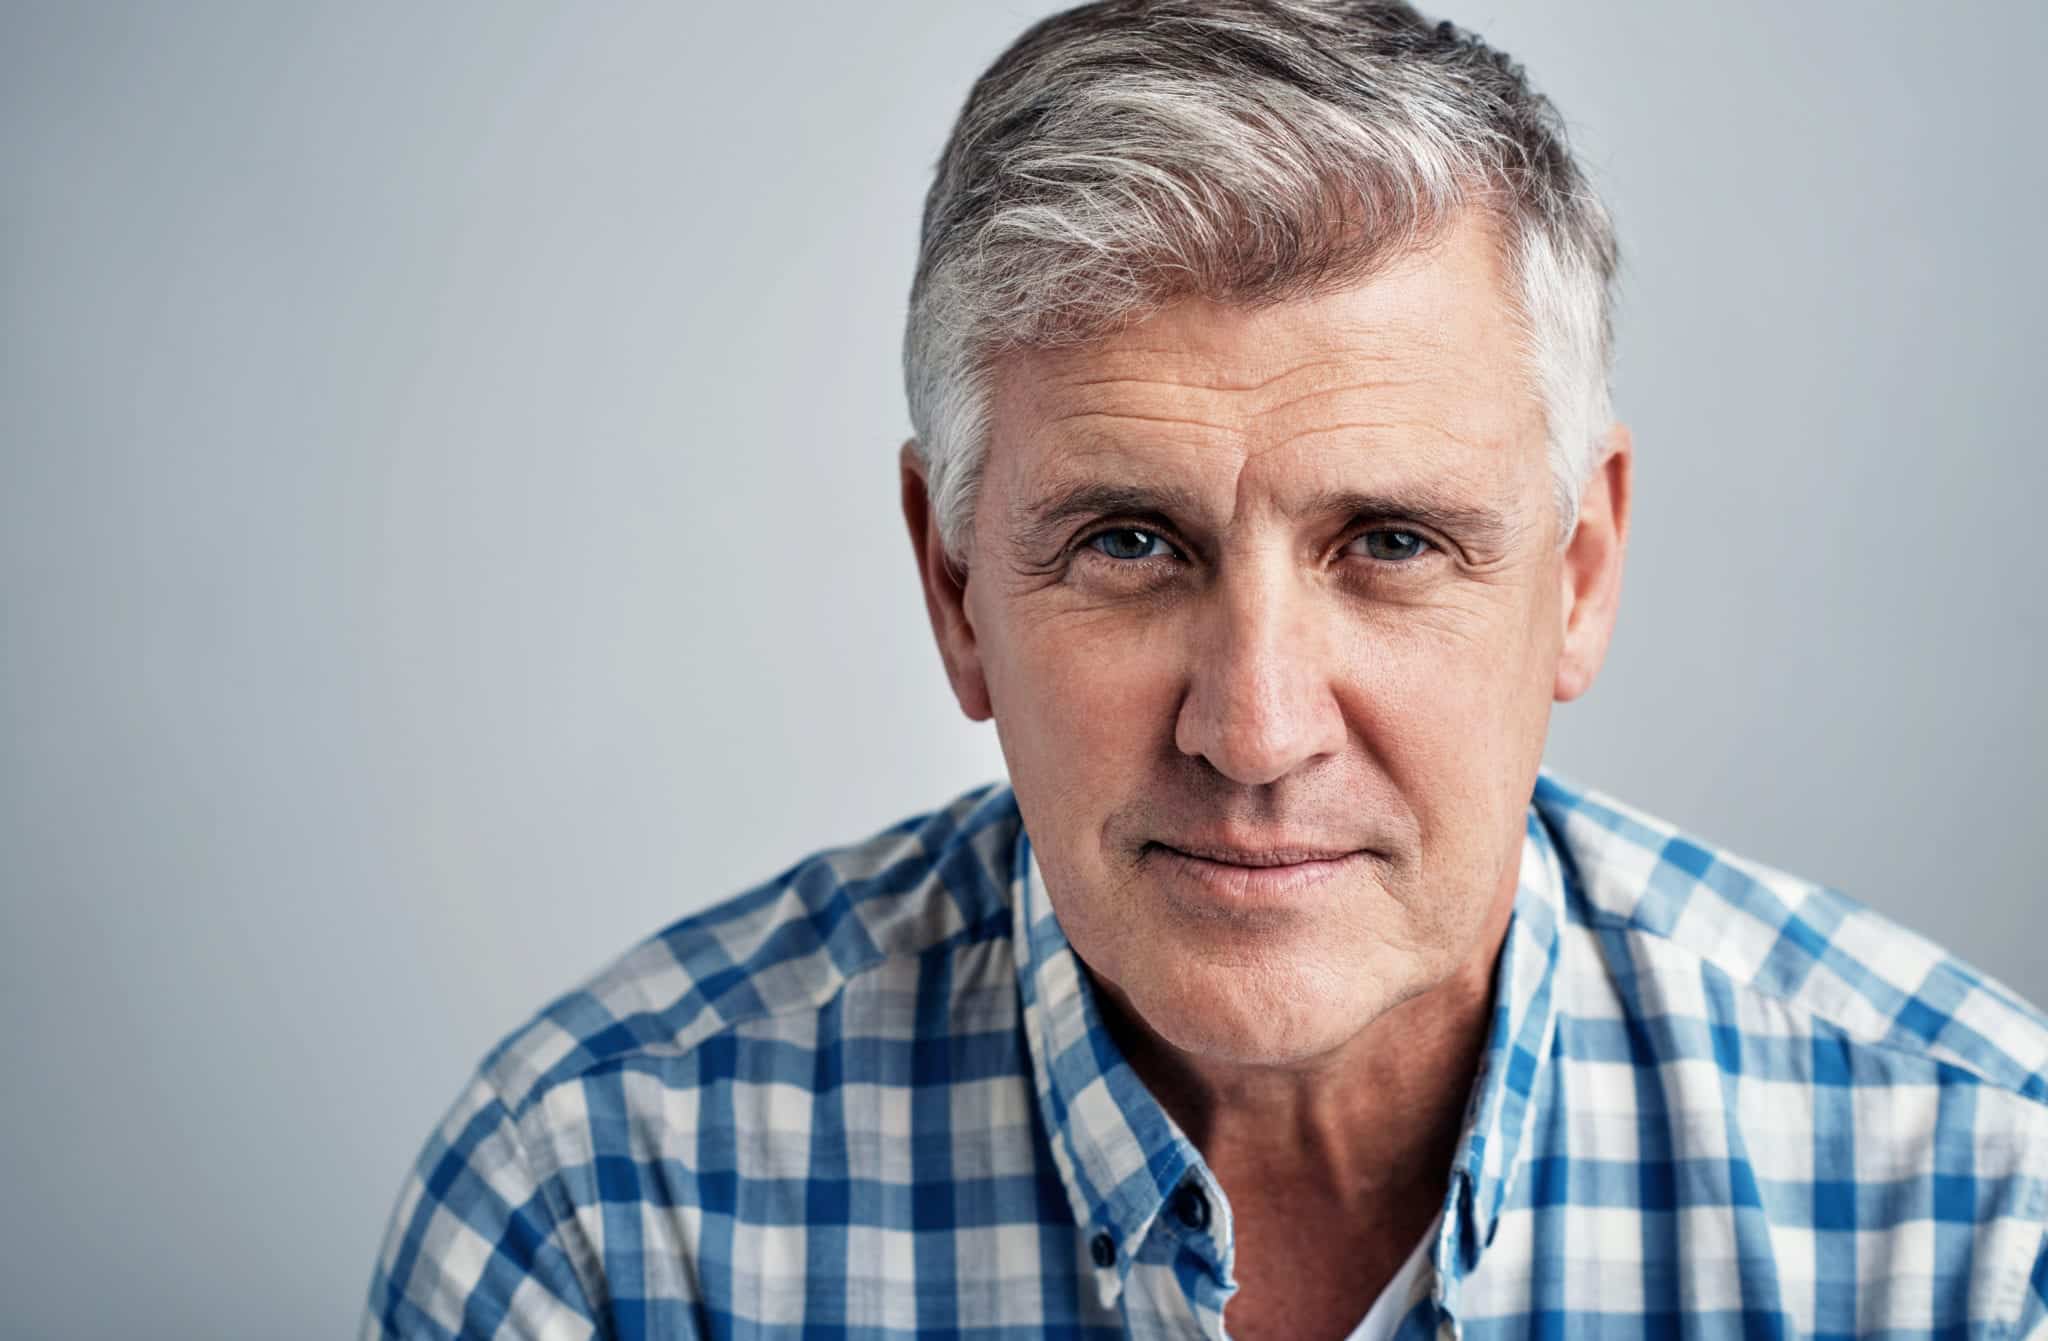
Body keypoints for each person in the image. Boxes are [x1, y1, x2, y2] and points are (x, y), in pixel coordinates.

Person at [363, 2, 2048, 1337]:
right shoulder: (598, 1219)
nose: (1254, 730)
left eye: (1389, 542)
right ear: (954, 583)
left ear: (1581, 572)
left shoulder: (1980, 1216)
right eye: (1130, 543)